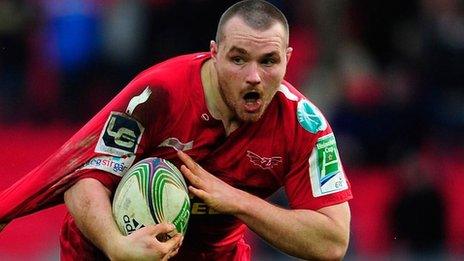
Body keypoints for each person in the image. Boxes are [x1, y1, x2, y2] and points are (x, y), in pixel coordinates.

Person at [0, 0, 352, 260]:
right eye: (238, 58)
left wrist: (237, 201)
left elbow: (333, 240)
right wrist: (116, 245)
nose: (253, 76)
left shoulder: (306, 126)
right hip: (110, 252)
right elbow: (84, 179)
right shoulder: (160, 93)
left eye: (269, 61)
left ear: (289, 58)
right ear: (214, 53)